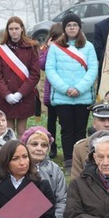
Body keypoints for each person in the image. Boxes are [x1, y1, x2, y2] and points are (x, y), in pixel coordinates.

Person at [45, 13, 98, 172]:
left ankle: (81, 159)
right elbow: (50, 70)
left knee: (80, 129)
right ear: (64, 28)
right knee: (66, 129)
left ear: (79, 27)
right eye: (69, 25)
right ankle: (69, 160)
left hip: (82, 97)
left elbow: (93, 69)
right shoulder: (55, 47)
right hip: (63, 97)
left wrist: (79, 88)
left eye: (75, 25)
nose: (72, 28)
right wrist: (65, 88)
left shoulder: (88, 47)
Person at [0, 16, 41, 136]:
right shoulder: (0, 50)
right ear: (7, 31)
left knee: (21, 131)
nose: (14, 31)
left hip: (24, 95)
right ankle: (8, 154)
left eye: (16, 28)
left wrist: (20, 93)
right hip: (6, 96)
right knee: (7, 131)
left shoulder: (31, 47)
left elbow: (35, 74)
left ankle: (20, 154)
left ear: (22, 29)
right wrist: (7, 95)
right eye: (11, 29)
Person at [21, 126, 66, 218]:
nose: (39, 148)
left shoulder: (55, 169)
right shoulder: (17, 166)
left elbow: (62, 200)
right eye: (34, 144)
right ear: (25, 146)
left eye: (44, 145)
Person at [40, 23, 64, 159]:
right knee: (51, 122)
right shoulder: (47, 49)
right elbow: (42, 65)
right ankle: (52, 146)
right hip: (51, 91)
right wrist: (48, 48)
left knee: (64, 122)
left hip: (64, 91)